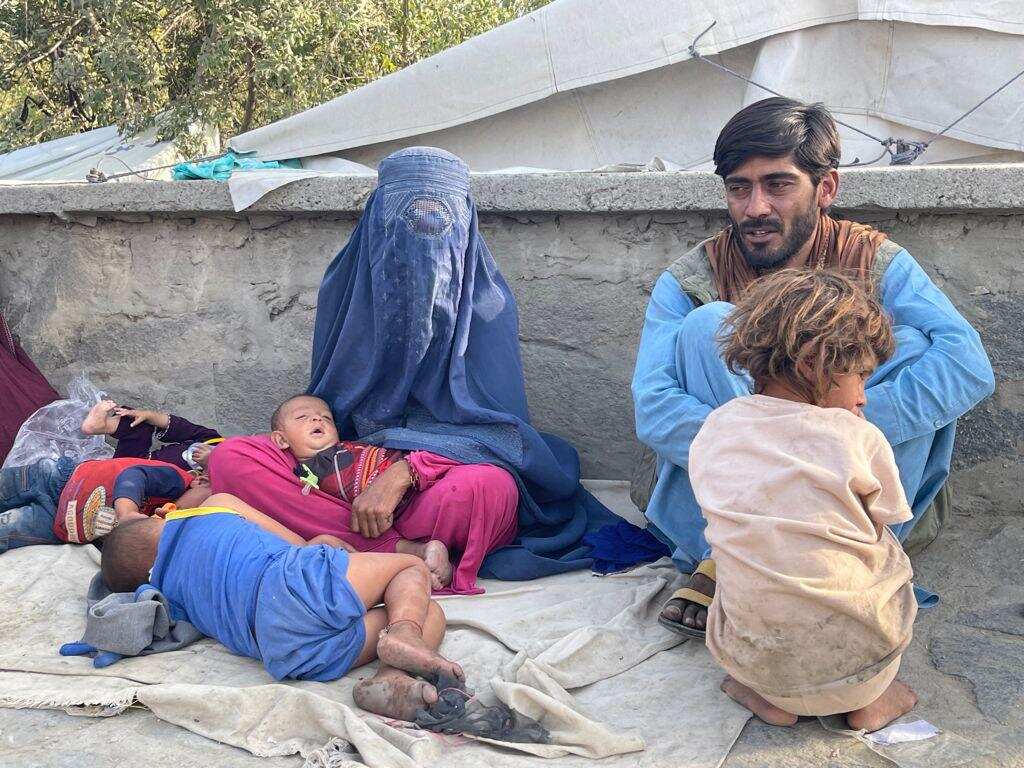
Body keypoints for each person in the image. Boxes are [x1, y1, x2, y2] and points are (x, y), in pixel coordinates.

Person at [632, 97, 995, 637]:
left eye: (777, 185)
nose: (755, 207)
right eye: (739, 188)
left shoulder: (875, 261)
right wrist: (778, 451)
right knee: (708, 325)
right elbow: (656, 408)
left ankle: (819, 558)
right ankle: (740, 553)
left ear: (825, 189)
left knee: (914, 344)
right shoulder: (692, 278)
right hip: (725, 511)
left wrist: (817, 446)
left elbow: (969, 366)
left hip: (842, 506)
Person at [691, 269, 918, 731]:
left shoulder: (716, 426)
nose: (863, 397)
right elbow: (886, 518)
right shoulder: (857, 436)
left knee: (732, 558)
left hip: (759, 666)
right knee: (884, 547)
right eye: (861, 376)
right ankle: (873, 700)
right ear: (815, 363)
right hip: (862, 666)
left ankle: (771, 700)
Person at [100, 493, 463, 720]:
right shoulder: (214, 507)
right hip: (288, 582)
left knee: (427, 611)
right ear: (157, 522)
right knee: (409, 571)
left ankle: (389, 679)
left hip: (284, 651)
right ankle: (402, 634)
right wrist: (324, 546)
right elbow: (298, 546)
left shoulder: (173, 597)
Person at [209, 395, 519, 594]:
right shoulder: (301, 471)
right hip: (354, 527)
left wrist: (408, 471)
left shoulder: (357, 448)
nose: (317, 420)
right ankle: (407, 552)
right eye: (303, 417)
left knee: (490, 482)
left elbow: (478, 448)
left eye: (326, 417)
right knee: (228, 455)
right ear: (279, 439)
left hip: (419, 503)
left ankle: (413, 555)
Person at [0, 453, 210, 551]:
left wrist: (119, 532)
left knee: (6, 530)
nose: (199, 513)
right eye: (207, 503)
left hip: (58, 523)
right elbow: (134, 476)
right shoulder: (176, 480)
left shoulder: (163, 526)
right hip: (60, 479)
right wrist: (127, 514)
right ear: (200, 481)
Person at [81, 399, 223, 472]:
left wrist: (210, 463)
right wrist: (147, 415)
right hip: (142, 458)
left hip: (142, 476)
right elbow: (179, 426)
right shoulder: (213, 439)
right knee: (137, 420)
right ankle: (100, 425)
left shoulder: (217, 478)